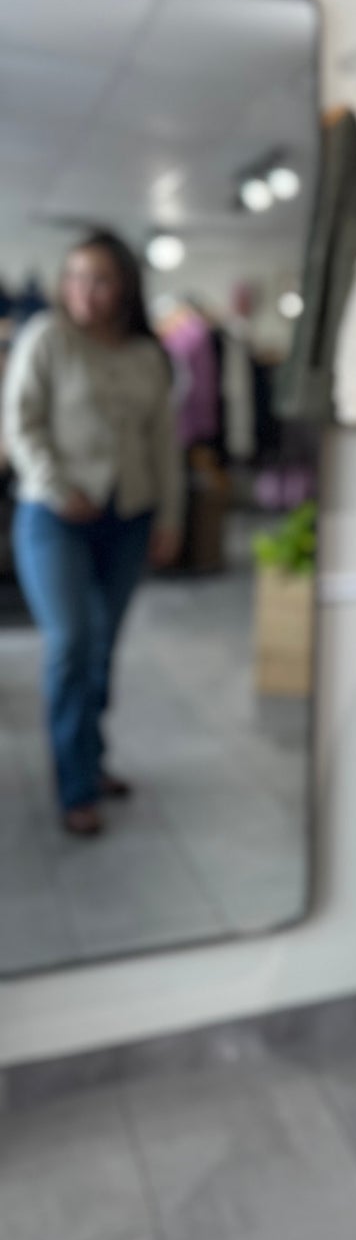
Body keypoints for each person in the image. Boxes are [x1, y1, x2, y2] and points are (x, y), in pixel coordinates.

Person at [3, 230, 182, 836]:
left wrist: (170, 517)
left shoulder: (147, 356)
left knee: (102, 648)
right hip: (54, 518)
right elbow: (20, 423)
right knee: (72, 642)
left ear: (125, 286)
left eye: (100, 279)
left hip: (128, 517)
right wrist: (58, 486)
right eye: (75, 276)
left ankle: (91, 755)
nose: (85, 290)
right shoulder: (45, 338)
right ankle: (74, 786)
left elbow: (163, 444)